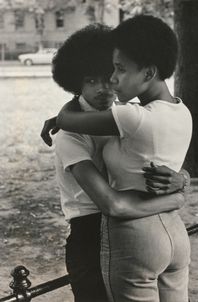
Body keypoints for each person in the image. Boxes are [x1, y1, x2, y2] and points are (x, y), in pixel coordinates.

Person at [41, 23, 190, 302]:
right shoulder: (69, 134)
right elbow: (109, 202)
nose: (105, 86)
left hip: (134, 227)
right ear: (75, 83)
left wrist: (181, 177)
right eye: (91, 80)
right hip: (90, 232)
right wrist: (175, 199)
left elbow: (152, 151)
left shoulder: (126, 116)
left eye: (109, 75)